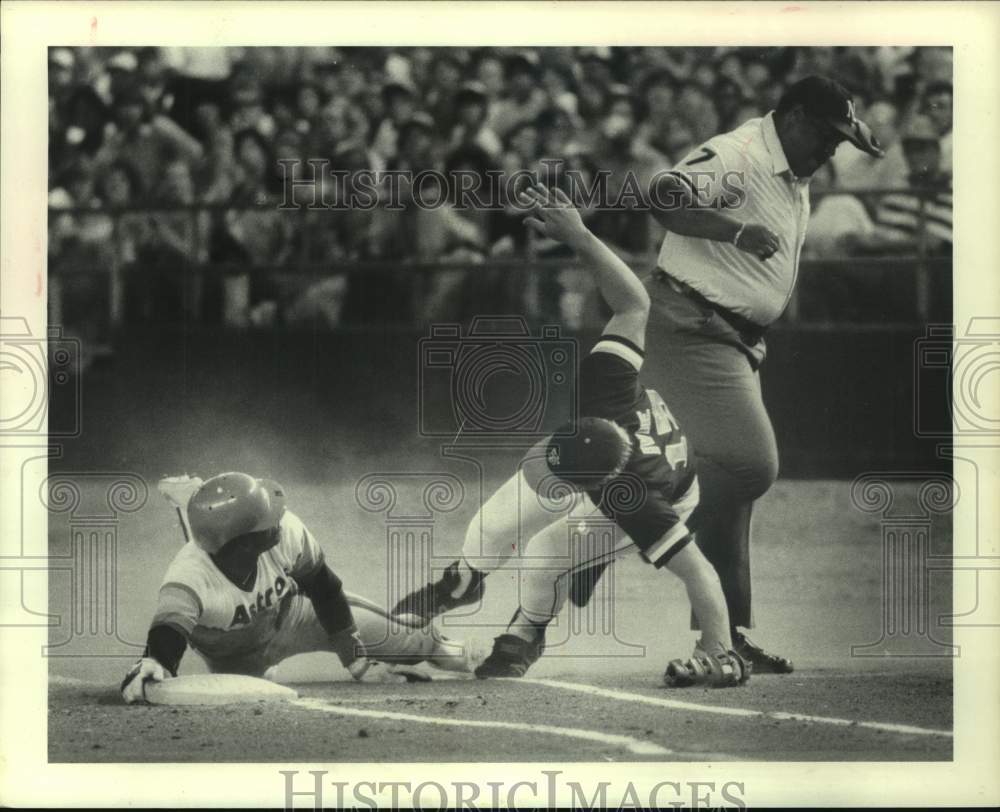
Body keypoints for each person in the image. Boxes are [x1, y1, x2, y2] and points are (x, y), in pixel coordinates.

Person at [392, 183, 750, 689]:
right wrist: (581, 236)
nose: (552, 483)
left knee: (543, 557)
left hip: (664, 488)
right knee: (495, 525)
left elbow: (700, 574)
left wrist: (719, 649)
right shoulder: (603, 385)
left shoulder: (632, 501)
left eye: (564, 481)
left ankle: (527, 632)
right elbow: (633, 303)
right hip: (618, 448)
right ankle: (464, 580)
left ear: (591, 488)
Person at [642, 75, 885, 674]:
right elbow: (662, 197)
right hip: (691, 323)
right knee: (751, 465)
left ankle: (725, 632)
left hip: (729, 336)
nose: (833, 151)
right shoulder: (742, 153)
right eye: (828, 136)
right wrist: (734, 229)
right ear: (794, 117)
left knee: (733, 484)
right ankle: (640, 526)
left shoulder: (791, 167)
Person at [120, 473, 484, 703]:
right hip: (232, 654)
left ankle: (437, 618)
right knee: (248, 684)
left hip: (295, 615)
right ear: (245, 542)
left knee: (408, 642)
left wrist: (356, 662)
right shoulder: (188, 578)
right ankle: (191, 502)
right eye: (265, 521)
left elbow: (324, 588)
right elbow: (168, 628)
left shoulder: (287, 532)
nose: (277, 519)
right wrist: (155, 663)